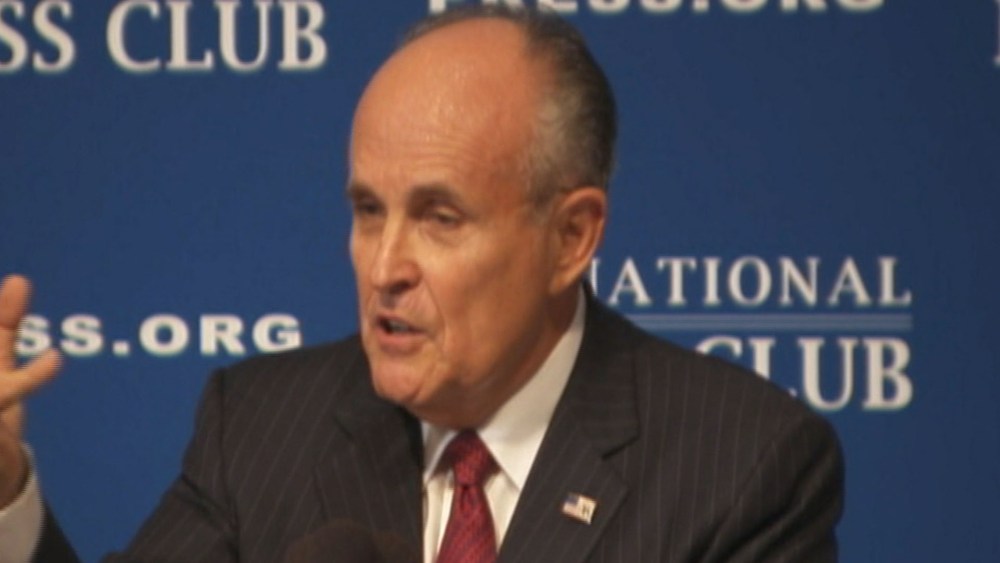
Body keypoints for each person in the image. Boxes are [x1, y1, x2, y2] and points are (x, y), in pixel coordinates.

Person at [0, 6, 843, 562]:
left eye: (440, 218)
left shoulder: (741, 468)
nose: (384, 267)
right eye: (369, 211)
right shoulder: (258, 427)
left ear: (571, 237)